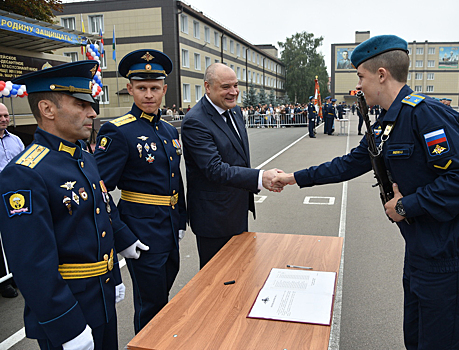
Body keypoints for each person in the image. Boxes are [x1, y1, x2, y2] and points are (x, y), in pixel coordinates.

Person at [273, 34, 459, 350]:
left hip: (448, 256)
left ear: (382, 75)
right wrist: (293, 177)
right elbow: (348, 164)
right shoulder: (388, 124)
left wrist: (406, 206)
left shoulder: (426, 114)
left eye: (361, 76)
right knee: (415, 341)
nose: (358, 85)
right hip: (419, 251)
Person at [1, 60, 125, 350]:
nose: (92, 112)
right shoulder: (25, 173)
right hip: (69, 309)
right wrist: (66, 325)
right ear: (47, 109)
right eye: (81, 104)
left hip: (100, 296)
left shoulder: (83, 157)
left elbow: (101, 219)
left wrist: (114, 276)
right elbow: (32, 264)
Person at [94, 49, 187, 334]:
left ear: (164, 89)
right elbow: (97, 188)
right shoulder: (118, 131)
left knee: (164, 298)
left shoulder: (170, 131)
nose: (149, 94)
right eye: (142, 88)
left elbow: (175, 179)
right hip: (142, 231)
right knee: (151, 305)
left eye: (155, 88)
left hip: (169, 227)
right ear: (130, 88)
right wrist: (122, 236)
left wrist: (180, 218)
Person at [181, 63, 283, 269]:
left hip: (236, 210)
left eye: (236, 86)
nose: (234, 92)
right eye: (226, 87)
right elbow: (214, 169)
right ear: (207, 87)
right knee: (216, 280)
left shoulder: (235, 113)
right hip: (214, 218)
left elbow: (239, 158)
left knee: (241, 272)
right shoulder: (196, 121)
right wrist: (259, 177)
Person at [0, 102, 24, 298]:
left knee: (15, 235)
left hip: (16, 196)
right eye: (0, 116)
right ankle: (3, 280)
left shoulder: (15, 140)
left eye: (6, 115)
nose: (4, 119)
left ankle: (15, 273)